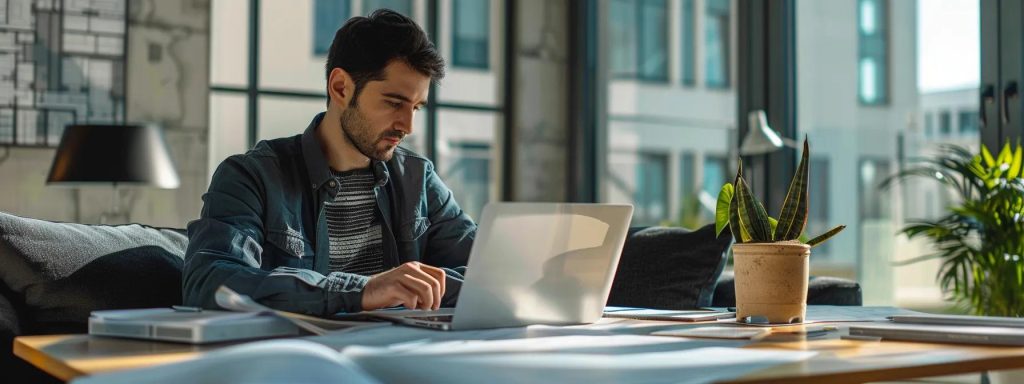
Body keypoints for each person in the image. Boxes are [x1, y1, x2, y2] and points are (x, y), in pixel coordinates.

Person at [183, 9, 475, 316]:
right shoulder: (251, 177)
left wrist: (415, 289)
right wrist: (362, 290)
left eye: (416, 107)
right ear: (340, 88)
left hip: (397, 354)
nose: (407, 125)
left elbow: (491, 273)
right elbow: (209, 282)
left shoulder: (418, 179)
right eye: (394, 103)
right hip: (297, 358)